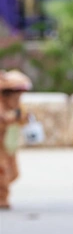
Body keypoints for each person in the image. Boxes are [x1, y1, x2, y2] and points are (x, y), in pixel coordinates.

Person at [0, 70, 32, 210]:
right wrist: (14, 116)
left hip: (9, 144)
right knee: (2, 170)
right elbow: (4, 119)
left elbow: (23, 118)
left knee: (14, 173)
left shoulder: (18, 105)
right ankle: (2, 198)